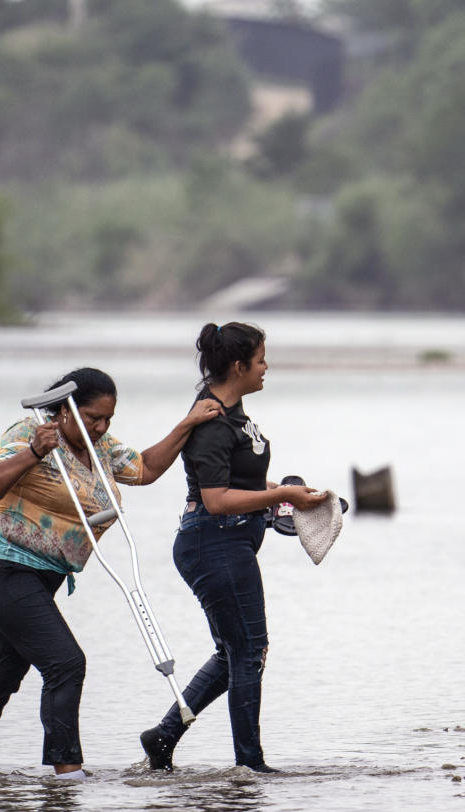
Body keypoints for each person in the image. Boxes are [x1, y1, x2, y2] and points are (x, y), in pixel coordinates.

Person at [0, 367, 223, 781]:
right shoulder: (30, 432)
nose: (102, 426)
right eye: (94, 417)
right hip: (1, 568)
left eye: (109, 418)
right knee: (66, 664)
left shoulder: (102, 445)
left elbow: (144, 469)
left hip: (42, 577)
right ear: (66, 410)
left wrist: (187, 424)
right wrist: (35, 452)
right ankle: (67, 774)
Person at [139, 322, 327, 773]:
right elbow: (216, 499)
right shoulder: (212, 421)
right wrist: (282, 497)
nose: (267, 367)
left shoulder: (232, 409)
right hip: (212, 541)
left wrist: (285, 490)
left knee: (234, 652)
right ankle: (250, 765)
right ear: (239, 366)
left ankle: (163, 736)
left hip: (229, 541)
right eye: (261, 359)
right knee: (249, 650)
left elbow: (236, 481)